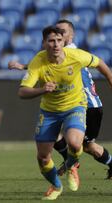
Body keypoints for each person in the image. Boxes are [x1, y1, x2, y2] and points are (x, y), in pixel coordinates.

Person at [9, 19, 112, 180]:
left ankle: (71, 164)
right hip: (71, 104)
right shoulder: (58, 51)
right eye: (55, 35)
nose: (58, 37)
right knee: (64, 138)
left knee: (85, 145)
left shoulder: (72, 51)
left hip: (87, 105)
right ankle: (70, 163)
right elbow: (44, 62)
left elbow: (98, 63)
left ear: (70, 36)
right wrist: (24, 67)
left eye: (63, 33)